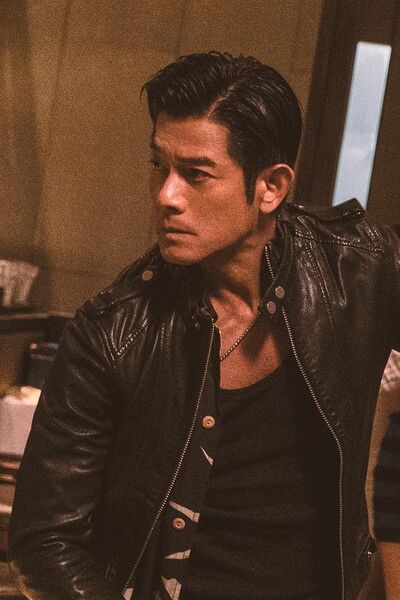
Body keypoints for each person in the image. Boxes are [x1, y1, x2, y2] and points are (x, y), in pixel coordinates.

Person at [8, 51, 400, 600]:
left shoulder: (357, 270)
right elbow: (45, 542)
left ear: (270, 186)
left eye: (195, 174)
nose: (166, 196)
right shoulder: (114, 332)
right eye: (159, 166)